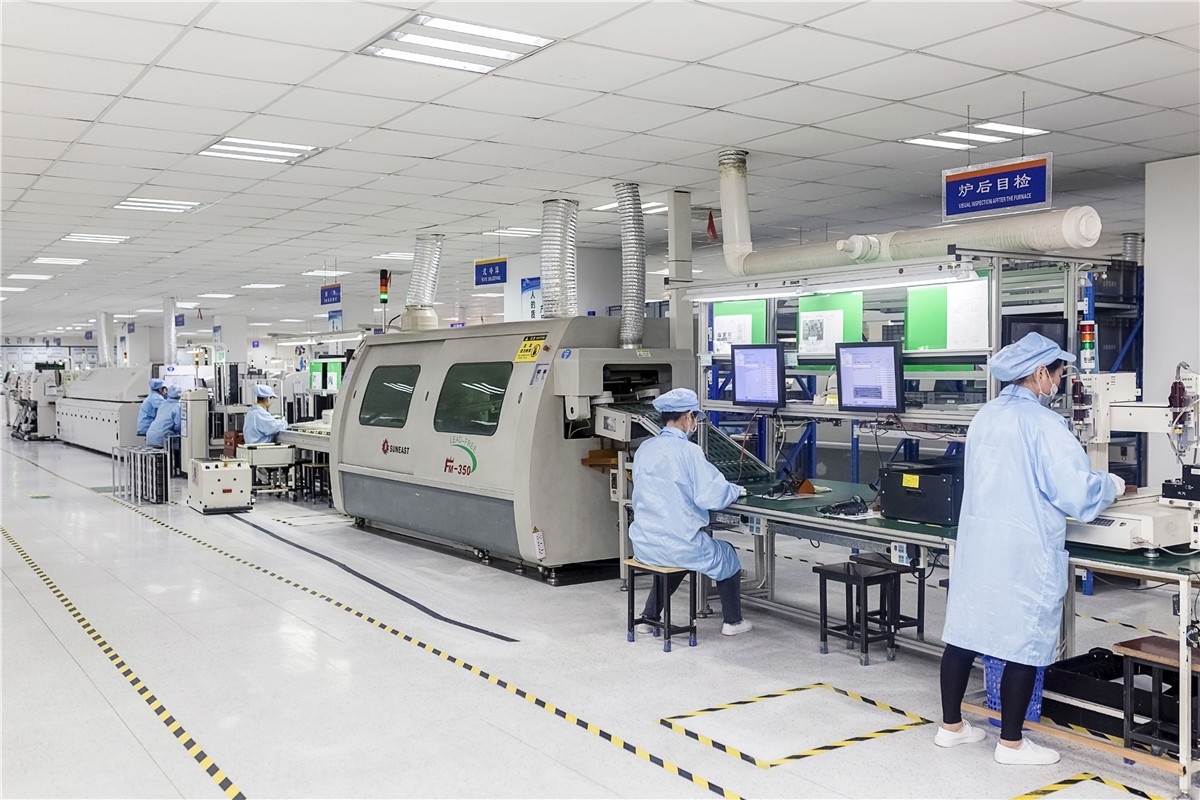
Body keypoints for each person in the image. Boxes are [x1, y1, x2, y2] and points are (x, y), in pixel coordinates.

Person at [936, 333, 1123, 765]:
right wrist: (1110, 484)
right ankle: (1012, 744)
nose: (1059, 383)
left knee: (965, 635)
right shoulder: (1044, 424)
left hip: (981, 546)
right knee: (1022, 642)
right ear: (1040, 373)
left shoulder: (985, 415)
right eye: (1058, 374)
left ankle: (951, 727)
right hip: (1023, 550)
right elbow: (1076, 493)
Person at [628, 387, 752, 637]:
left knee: (678, 557)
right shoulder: (689, 451)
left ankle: (649, 617)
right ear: (688, 416)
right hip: (678, 544)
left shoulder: (645, 448)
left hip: (644, 543)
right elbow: (710, 495)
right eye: (695, 417)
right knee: (726, 554)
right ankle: (733, 622)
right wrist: (734, 490)